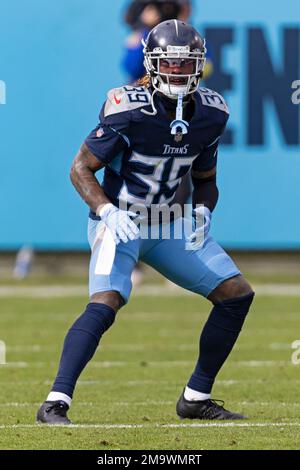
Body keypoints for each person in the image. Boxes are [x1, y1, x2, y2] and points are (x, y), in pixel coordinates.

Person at [37, 20, 254, 425]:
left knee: (237, 294)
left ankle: (196, 397)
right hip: (121, 221)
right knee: (106, 302)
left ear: (200, 66)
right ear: (152, 64)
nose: (176, 72)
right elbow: (81, 168)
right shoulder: (127, 108)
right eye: (168, 63)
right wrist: (107, 212)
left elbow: (206, 181)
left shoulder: (211, 113)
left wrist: (204, 210)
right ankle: (55, 401)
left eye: (184, 64)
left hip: (169, 222)